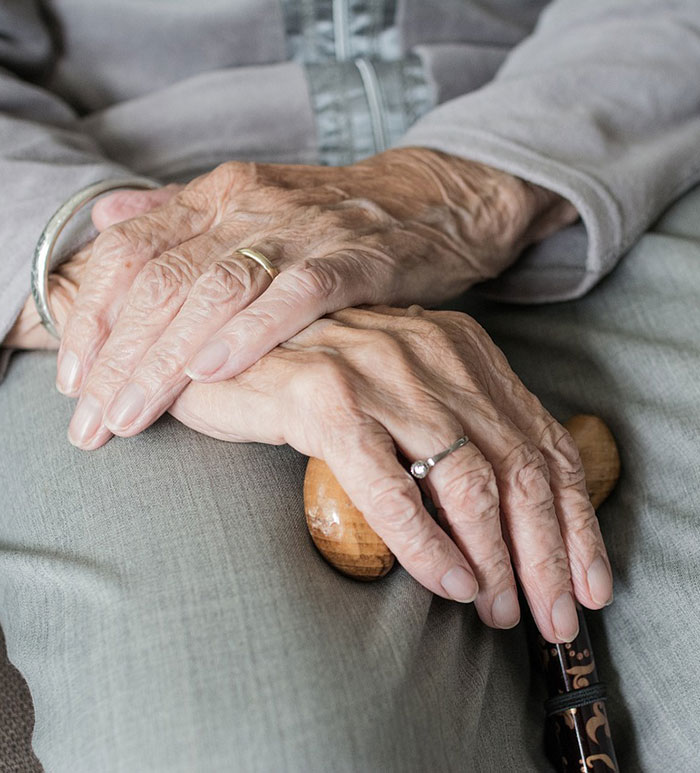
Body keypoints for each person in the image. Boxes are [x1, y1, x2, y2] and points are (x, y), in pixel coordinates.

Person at [1, 1, 699, 770]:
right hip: (119, 199)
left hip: (587, 142)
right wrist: (128, 282)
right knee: (260, 749)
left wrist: (452, 190)